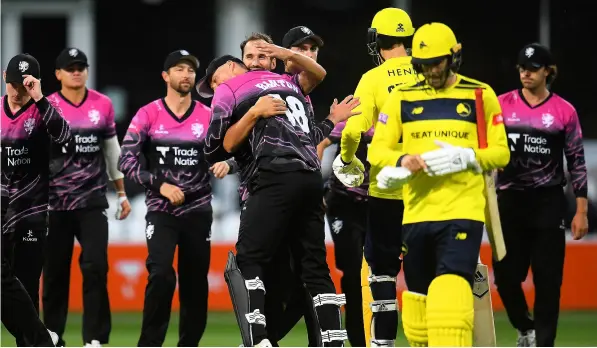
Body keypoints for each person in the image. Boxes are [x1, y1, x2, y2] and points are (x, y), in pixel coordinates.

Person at [198, 55, 358, 347]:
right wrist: (332, 120)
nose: (216, 85)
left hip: (273, 179)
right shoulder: (291, 86)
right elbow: (309, 137)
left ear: (232, 67)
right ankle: (334, 340)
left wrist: (251, 115)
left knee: (250, 258)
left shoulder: (233, 88)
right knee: (315, 267)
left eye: (214, 79)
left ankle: (259, 339)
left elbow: (214, 147)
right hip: (310, 180)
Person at [368, 23, 509, 346]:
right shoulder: (403, 97)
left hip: (463, 209)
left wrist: (469, 157)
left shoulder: (479, 94)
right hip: (416, 212)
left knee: (450, 294)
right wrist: (403, 159)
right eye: (423, 64)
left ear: (454, 57)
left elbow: (501, 153)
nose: (431, 71)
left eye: (437, 63)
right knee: (418, 308)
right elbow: (378, 149)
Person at [320, 7, 416, 347]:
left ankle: (381, 343)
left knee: (382, 274)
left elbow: (351, 134)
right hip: (428, 193)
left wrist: (347, 161)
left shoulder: (373, 79)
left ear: (376, 42)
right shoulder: (432, 73)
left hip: (386, 192)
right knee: (425, 276)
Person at [118, 50, 228, 347]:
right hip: (161, 210)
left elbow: (234, 152)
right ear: (166, 76)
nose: (186, 75)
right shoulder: (148, 114)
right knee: (162, 274)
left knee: (195, 284)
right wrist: (160, 185)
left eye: (191, 70)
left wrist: (226, 164)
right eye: (179, 69)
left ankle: (188, 344)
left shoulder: (209, 116)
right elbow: (126, 161)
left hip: (198, 210)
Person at [494, 43, 588, 347]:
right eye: (522, 68)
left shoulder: (564, 111)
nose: (525, 73)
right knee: (506, 276)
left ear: (548, 71)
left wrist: (581, 211)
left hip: (548, 202)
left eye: (532, 69)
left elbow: (576, 161)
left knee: (549, 281)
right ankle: (525, 327)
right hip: (509, 201)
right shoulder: (501, 105)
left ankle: (544, 342)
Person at [239, 31, 325, 346]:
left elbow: (304, 141)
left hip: (294, 186)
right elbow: (236, 144)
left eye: (311, 48)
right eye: (300, 49)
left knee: (304, 276)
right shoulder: (256, 88)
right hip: (266, 189)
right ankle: (260, 337)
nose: (308, 54)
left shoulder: (297, 86)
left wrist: (326, 129)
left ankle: (269, 338)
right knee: (274, 271)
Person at [41, 47, 131, 347]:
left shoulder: (102, 104)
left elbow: (111, 150)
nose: (76, 71)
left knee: (95, 266)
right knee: (55, 271)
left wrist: (121, 193)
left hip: (92, 201)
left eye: (81, 66)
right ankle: (52, 334)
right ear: (58, 75)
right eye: (70, 68)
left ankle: (95, 337)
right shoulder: (46, 106)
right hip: (54, 203)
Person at [1, 53, 67, 347]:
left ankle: (35, 344)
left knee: (26, 291)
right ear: (4, 77)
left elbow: (65, 136)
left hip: (32, 215)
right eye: (13, 83)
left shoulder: (43, 112)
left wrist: (40, 98)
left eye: (24, 85)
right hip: (1, 213)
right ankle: (44, 340)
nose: (17, 90)